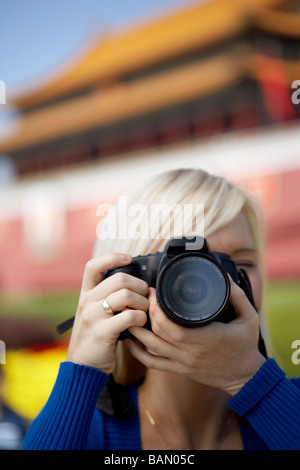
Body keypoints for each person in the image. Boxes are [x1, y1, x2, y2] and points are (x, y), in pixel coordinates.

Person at [22, 168, 300, 450]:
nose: (223, 285)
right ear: (122, 281)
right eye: (189, 266)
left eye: (241, 266)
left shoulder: (291, 402)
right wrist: (80, 370)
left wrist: (251, 380)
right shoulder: (83, 429)